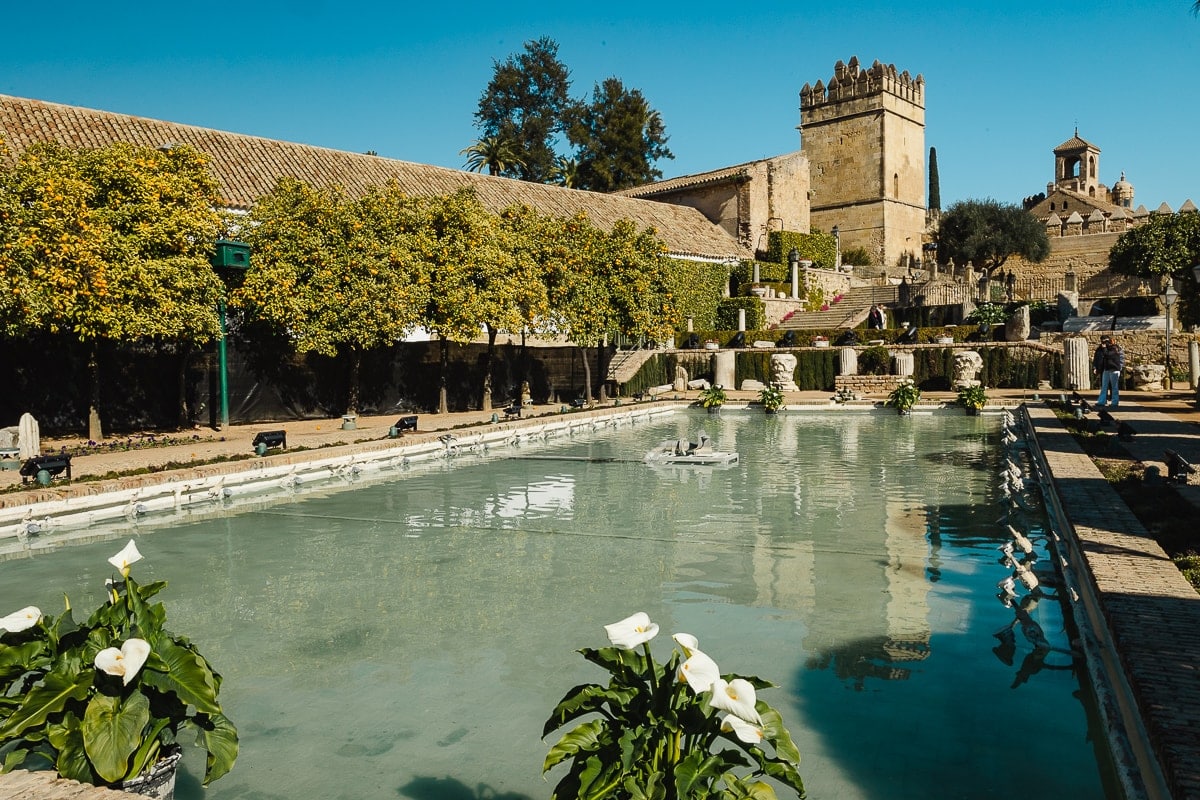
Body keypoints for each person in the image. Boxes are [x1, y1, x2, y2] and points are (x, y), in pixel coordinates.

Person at [1093, 335, 1125, 408]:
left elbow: (1108, 355)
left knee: (1114, 387)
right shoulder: (1100, 349)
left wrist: (1120, 367)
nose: (1105, 343)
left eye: (1107, 342)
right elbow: (1097, 357)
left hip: (1114, 369)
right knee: (1104, 386)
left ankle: (1114, 402)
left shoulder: (1115, 348)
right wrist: (1096, 367)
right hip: (1106, 369)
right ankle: (1102, 401)